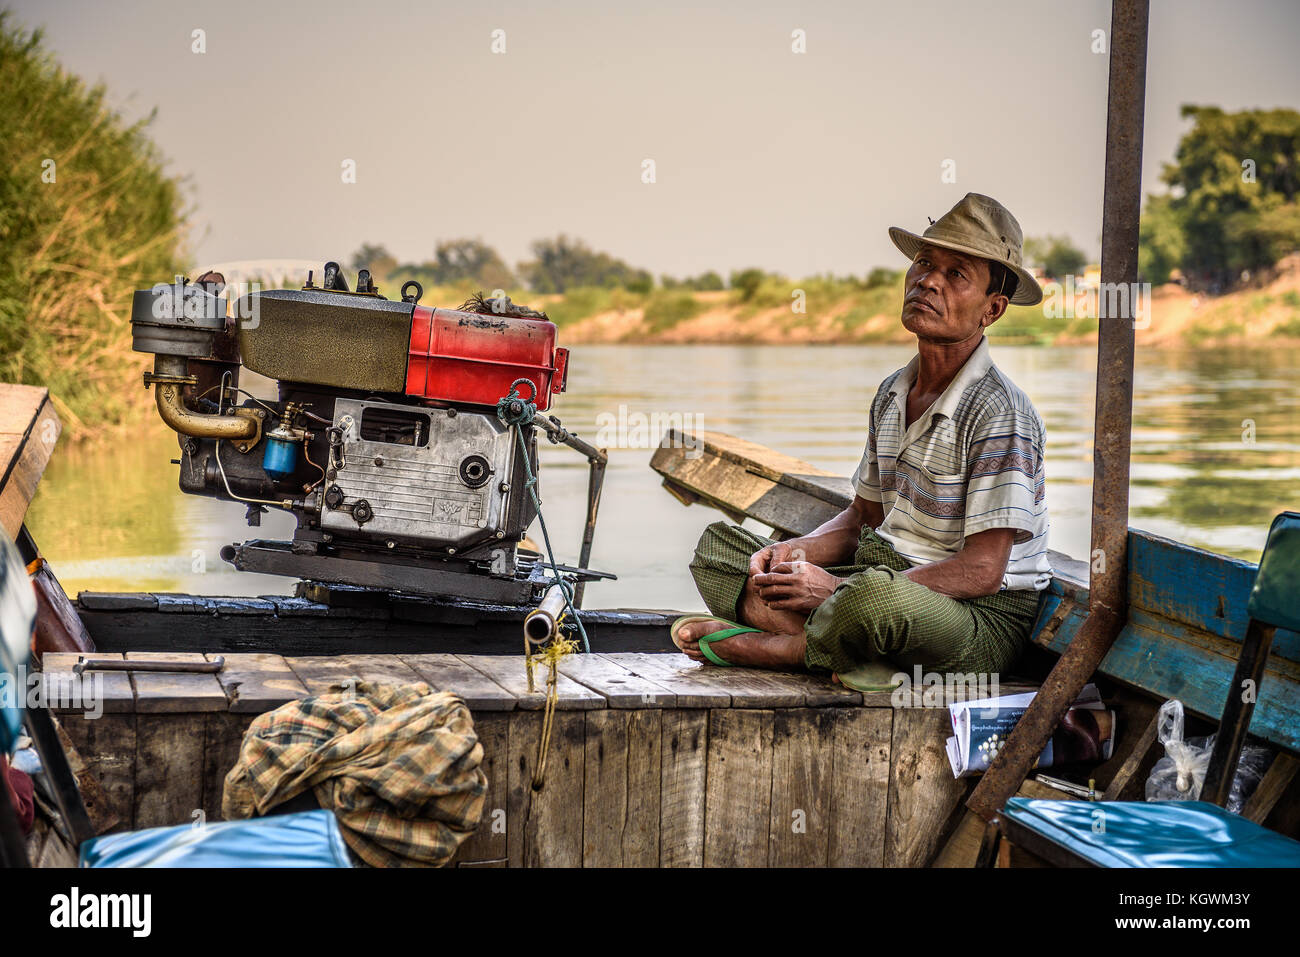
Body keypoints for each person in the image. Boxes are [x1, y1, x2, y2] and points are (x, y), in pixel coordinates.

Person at [675, 193, 1052, 685]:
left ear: (993, 309)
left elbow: (982, 571)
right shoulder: (893, 392)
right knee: (720, 550)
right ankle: (844, 650)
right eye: (923, 263)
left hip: (979, 619)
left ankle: (779, 648)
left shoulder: (999, 410)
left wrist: (833, 592)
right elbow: (862, 519)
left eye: (956, 274)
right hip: (883, 580)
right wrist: (797, 553)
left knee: (873, 601)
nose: (928, 281)